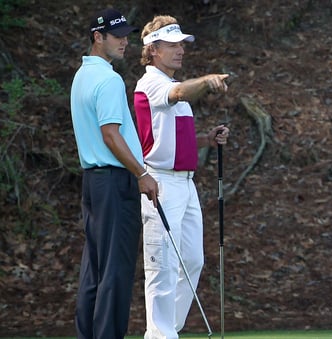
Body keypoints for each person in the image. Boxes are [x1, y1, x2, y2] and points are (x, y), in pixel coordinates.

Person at [134, 14, 230, 339]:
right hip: (159, 184)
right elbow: (178, 93)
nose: (181, 50)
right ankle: (160, 334)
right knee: (162, 264)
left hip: (184, 185)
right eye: (173, 45)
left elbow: (169, 138)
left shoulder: (173, 89)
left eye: (182, 44)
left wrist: (206, 139)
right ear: (154, 49)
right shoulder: (153, 84)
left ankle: (165, 330)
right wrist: (206, 82)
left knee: (192, 260)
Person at [70, 7, 159, 339]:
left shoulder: (83, 75)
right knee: (116, 272)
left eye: (126, 35)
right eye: (117, 36)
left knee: (93, 270)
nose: (125, 41)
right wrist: (141, 174)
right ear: (98, 37)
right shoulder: (107, 79)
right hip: (113, 182)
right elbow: (111, 135)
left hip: (93, 185)